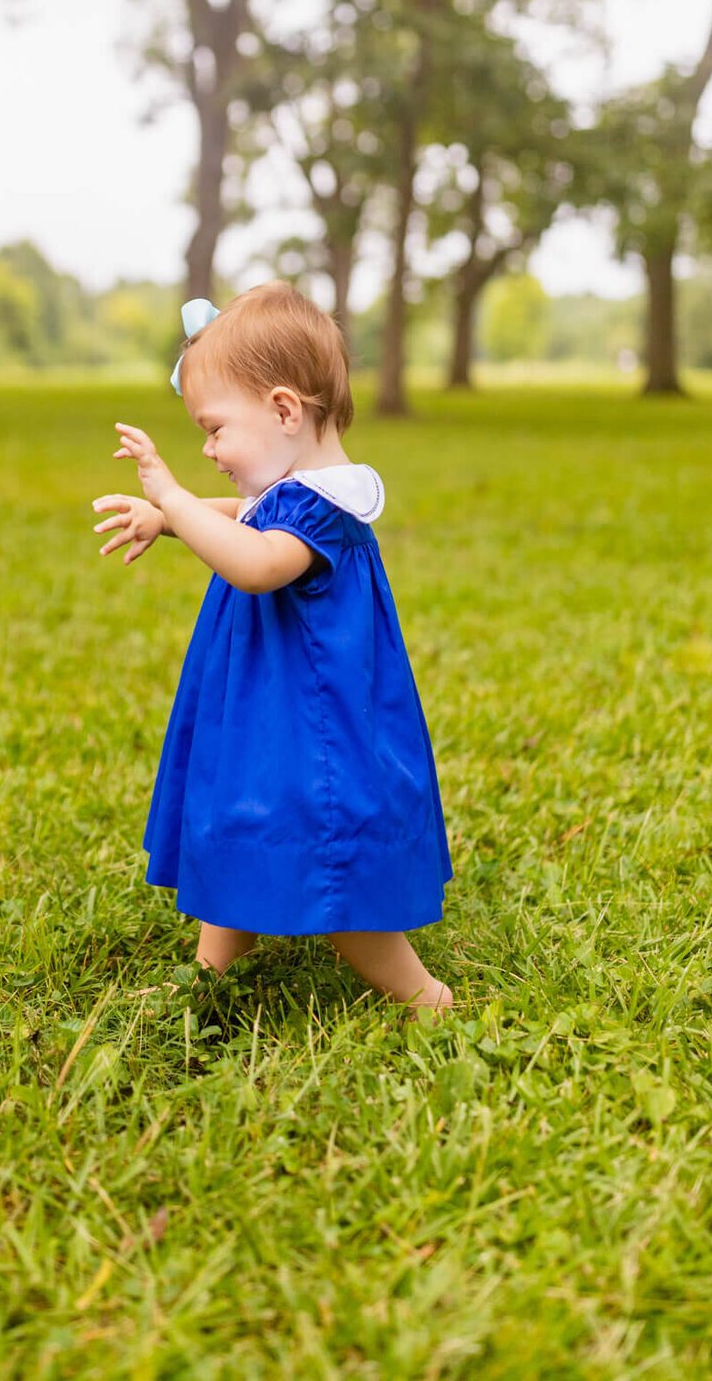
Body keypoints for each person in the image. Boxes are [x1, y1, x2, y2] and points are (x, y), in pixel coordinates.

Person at [91, 282, 453, 1016]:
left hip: (314, 730)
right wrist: (169, 517)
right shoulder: (296, 490)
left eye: (216, 428)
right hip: (274, 711)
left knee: (327, 851)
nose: (208, 448)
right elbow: (247, 515)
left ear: (286, 410)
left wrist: (171, 492)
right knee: (242, 818)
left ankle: (424, 995)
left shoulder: (324, 502)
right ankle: (212, 967)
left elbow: (256, 565)